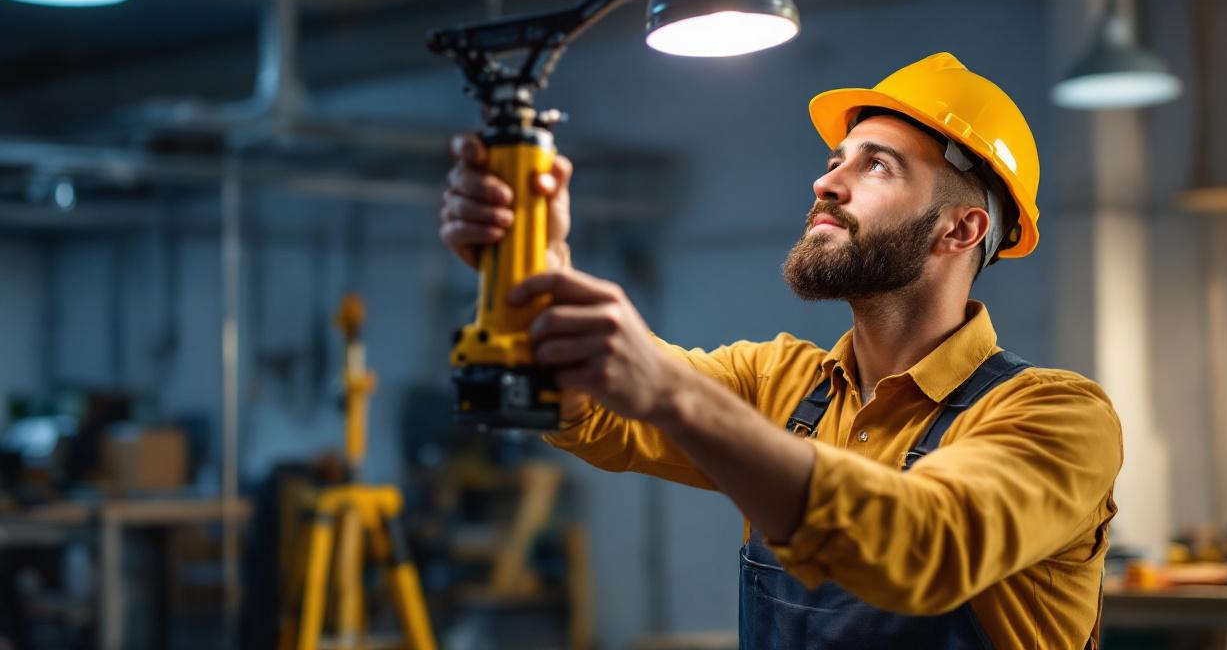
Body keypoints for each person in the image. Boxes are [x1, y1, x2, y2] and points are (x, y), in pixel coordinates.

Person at [439, 52, 1122, 650]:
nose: (827, 183)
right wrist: (529, 259)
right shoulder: (781, 383)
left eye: (876, 165)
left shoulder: (1059, 417)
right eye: (834, 161)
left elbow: (925, 545)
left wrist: (673, 394)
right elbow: (598, 408)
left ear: (961, 229)